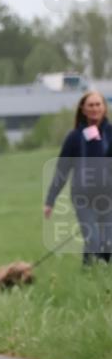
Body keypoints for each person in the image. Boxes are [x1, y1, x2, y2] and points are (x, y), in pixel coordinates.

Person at [45, 90, 112, 265]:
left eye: (98, 104)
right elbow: (62, 169)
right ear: (83, 109)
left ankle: (90, 273)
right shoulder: (74, 138)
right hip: (83, 198)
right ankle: (91, 272)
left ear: (104, 108)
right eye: (91, 105)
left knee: (107, 244)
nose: (95, 108)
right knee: (94, 241)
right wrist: (50, 201)